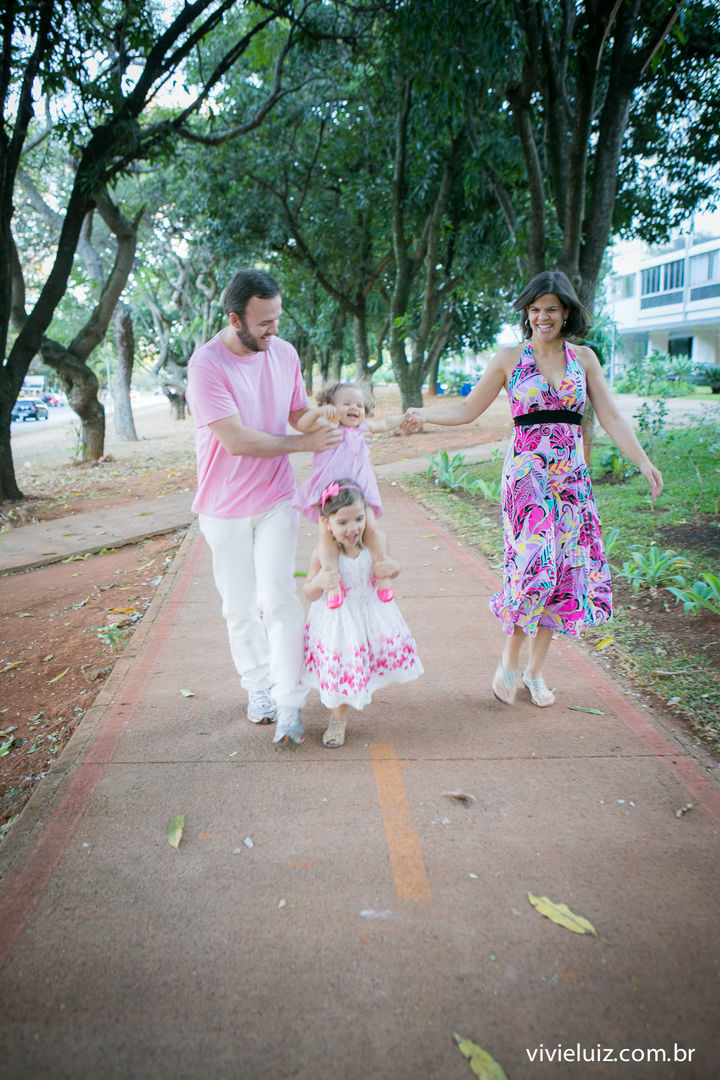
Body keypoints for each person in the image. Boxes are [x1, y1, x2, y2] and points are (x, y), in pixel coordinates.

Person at [405, 270, 663, 708]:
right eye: (536, 309)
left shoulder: (584, 359)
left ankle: (535, 672)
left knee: (565, 574)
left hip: (571, 481)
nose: (543, 317)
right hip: (527, 481)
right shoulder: (509, 358)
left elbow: (611, 416)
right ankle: (509, 660)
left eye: (552, 309)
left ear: (566, 313)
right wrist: (424, 414)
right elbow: (468, 408)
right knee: (532, 568)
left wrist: (643, 460)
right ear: (527, 312)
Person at [185, 269, 342, 745]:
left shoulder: (284, 352)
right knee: (240, 607)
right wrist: (302, 443)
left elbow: (296, 412)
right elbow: (236, 439)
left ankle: (289, 695)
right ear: (235, 319)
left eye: (277, 319)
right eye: (263, 323)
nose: (273, 330)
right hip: (224, 506)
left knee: (278, 599)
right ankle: (258, 686)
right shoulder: (206, 365)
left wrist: (327, 418)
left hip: (275, 497)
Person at [302, 480, 424, 747]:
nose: (352, 528)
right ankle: (338, 719)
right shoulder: (322, 554)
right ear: (327, 524)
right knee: (342, 671)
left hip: (370, 616)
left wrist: (392, 567)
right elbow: (309, 592)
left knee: (361, 666)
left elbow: (392, 568)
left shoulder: (374, 546)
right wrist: (320, 581)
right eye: (342, 522)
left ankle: (354, 698)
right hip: (338, 623)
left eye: (358, 519)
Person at [293, 380, 411, 608]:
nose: (354, 408)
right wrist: (318, 412)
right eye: (346, 403)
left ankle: (382, 571)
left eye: (359, 404)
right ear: (331, 406)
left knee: (372, 529)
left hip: (360, 492)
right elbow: (303, 424)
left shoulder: (364, 429)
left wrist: (405, 417)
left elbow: (386, 422)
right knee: (326, 536)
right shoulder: (327, 426)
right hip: (331, 494)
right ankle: (332, 581)